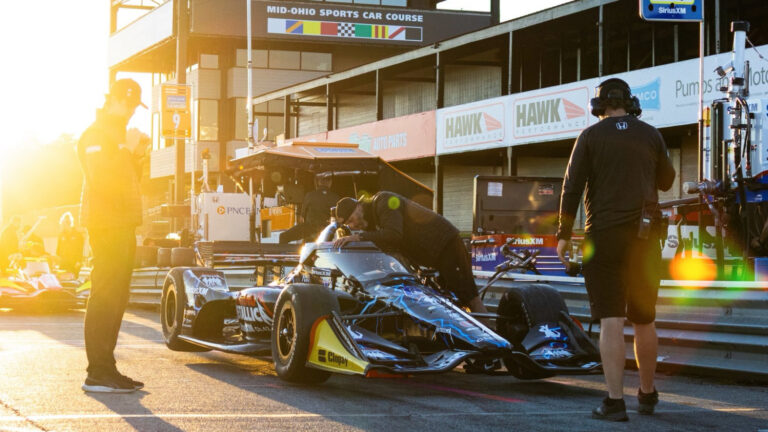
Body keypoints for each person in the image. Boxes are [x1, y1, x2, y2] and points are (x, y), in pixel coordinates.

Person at [555, 78, 675, 421]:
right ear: (630, 102)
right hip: (644, 239)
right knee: (644, 318)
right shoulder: (651, 134)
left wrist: (563, 233)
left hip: (604, 237)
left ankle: (614, 402)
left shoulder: (590, 136)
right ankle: (648, 395)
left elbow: (572, 187)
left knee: (611, 318)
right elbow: (666, 181)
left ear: (599, 106)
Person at [78, 78, 149, 393]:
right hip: (106, 223)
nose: (133, 112)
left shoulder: (117, 136)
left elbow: (128, 180)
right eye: (130, 105)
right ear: (116, 101)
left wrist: (136, 156)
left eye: (136, 107)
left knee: (118, 297)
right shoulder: (95, 135)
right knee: (105, 293)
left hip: (123, 223)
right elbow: (103, 180)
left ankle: (107, 368)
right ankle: (97, 372)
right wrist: (128, 151)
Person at [333, 191, 488, 315]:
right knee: (448, 302)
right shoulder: (371, 222)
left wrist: (359, 237)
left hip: (446, 244)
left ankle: (495, 343)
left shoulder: (384, 201)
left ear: (358, 207)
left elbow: (394, 234)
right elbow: (392, 249)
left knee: (469, 296)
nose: (353, 226)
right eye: (348, 224)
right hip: (432, 255)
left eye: (351, 220)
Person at [279, 174, 339, 244]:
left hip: (310, 228)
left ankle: (284, 254)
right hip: (328, 231)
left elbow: (301, 218)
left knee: (283, 236)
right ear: (330, 182)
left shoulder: (310, 195)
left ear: (318, 182)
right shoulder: (336, 198)